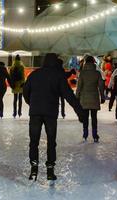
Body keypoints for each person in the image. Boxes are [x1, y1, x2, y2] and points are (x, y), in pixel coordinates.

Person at [23, 53, 84, 183]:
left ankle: (34, 169)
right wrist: (80, 112)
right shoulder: (58, 76)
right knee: (51, 142)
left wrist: (32, 104)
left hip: (35, 113)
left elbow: (25, 92)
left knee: (34, 141)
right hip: (51, 113)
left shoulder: (34, 74)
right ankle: (50, 171)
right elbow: (69, 96)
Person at [76, 56, 105, 143]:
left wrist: (76, 97)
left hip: (84, 99)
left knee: (85, 118)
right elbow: (101, 86)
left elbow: (79, 87)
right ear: (93, 62)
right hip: (94, 98)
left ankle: (85, 134)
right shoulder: (97, 73)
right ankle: (95, 135)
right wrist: (102, 96)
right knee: (94, 117)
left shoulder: (82, 73)